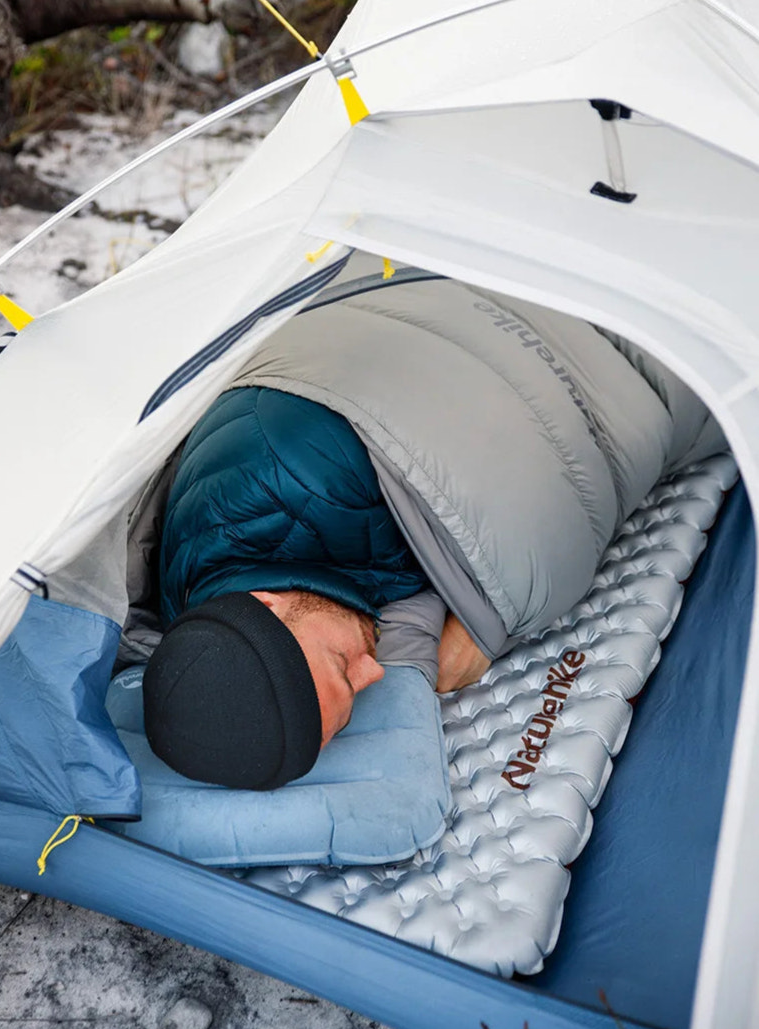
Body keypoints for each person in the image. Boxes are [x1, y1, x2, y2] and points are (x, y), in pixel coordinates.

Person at [141, 267, 725, 791]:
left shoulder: (295, 468)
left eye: (345, 669)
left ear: (267, 604)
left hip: (517, 298)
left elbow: (539, 505)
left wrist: (483, 620)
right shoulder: (216, 626)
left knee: (711, 348)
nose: (376, 671)